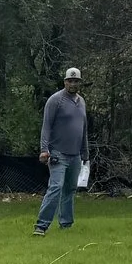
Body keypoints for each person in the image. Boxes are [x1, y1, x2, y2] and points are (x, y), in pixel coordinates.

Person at [34, 66, 88, 235]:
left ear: (79, 83)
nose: (73, 84)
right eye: (70, 80)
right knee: (56, 187)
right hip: (57, 153)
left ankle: (66, 223)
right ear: (65, 81)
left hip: (75, 154)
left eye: (76, 81)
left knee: (70, 189)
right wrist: (44, 149)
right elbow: (46, 126)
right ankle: (41, 225)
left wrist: (85, 152)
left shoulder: (81, 102)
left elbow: (83, 129)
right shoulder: (55, 100)